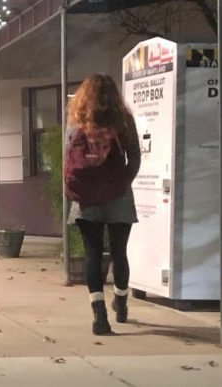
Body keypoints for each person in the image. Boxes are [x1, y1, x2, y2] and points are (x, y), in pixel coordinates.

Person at [64, 74, 141, 335]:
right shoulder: (123, 120)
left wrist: (74, 192)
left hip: (86, 199)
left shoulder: (76, 122)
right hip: (118, 196)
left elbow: (68, 164)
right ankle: (120, 299)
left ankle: (99, 316)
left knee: (92, 254)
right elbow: (135, 158)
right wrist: (120, 184)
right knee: (120, 251)